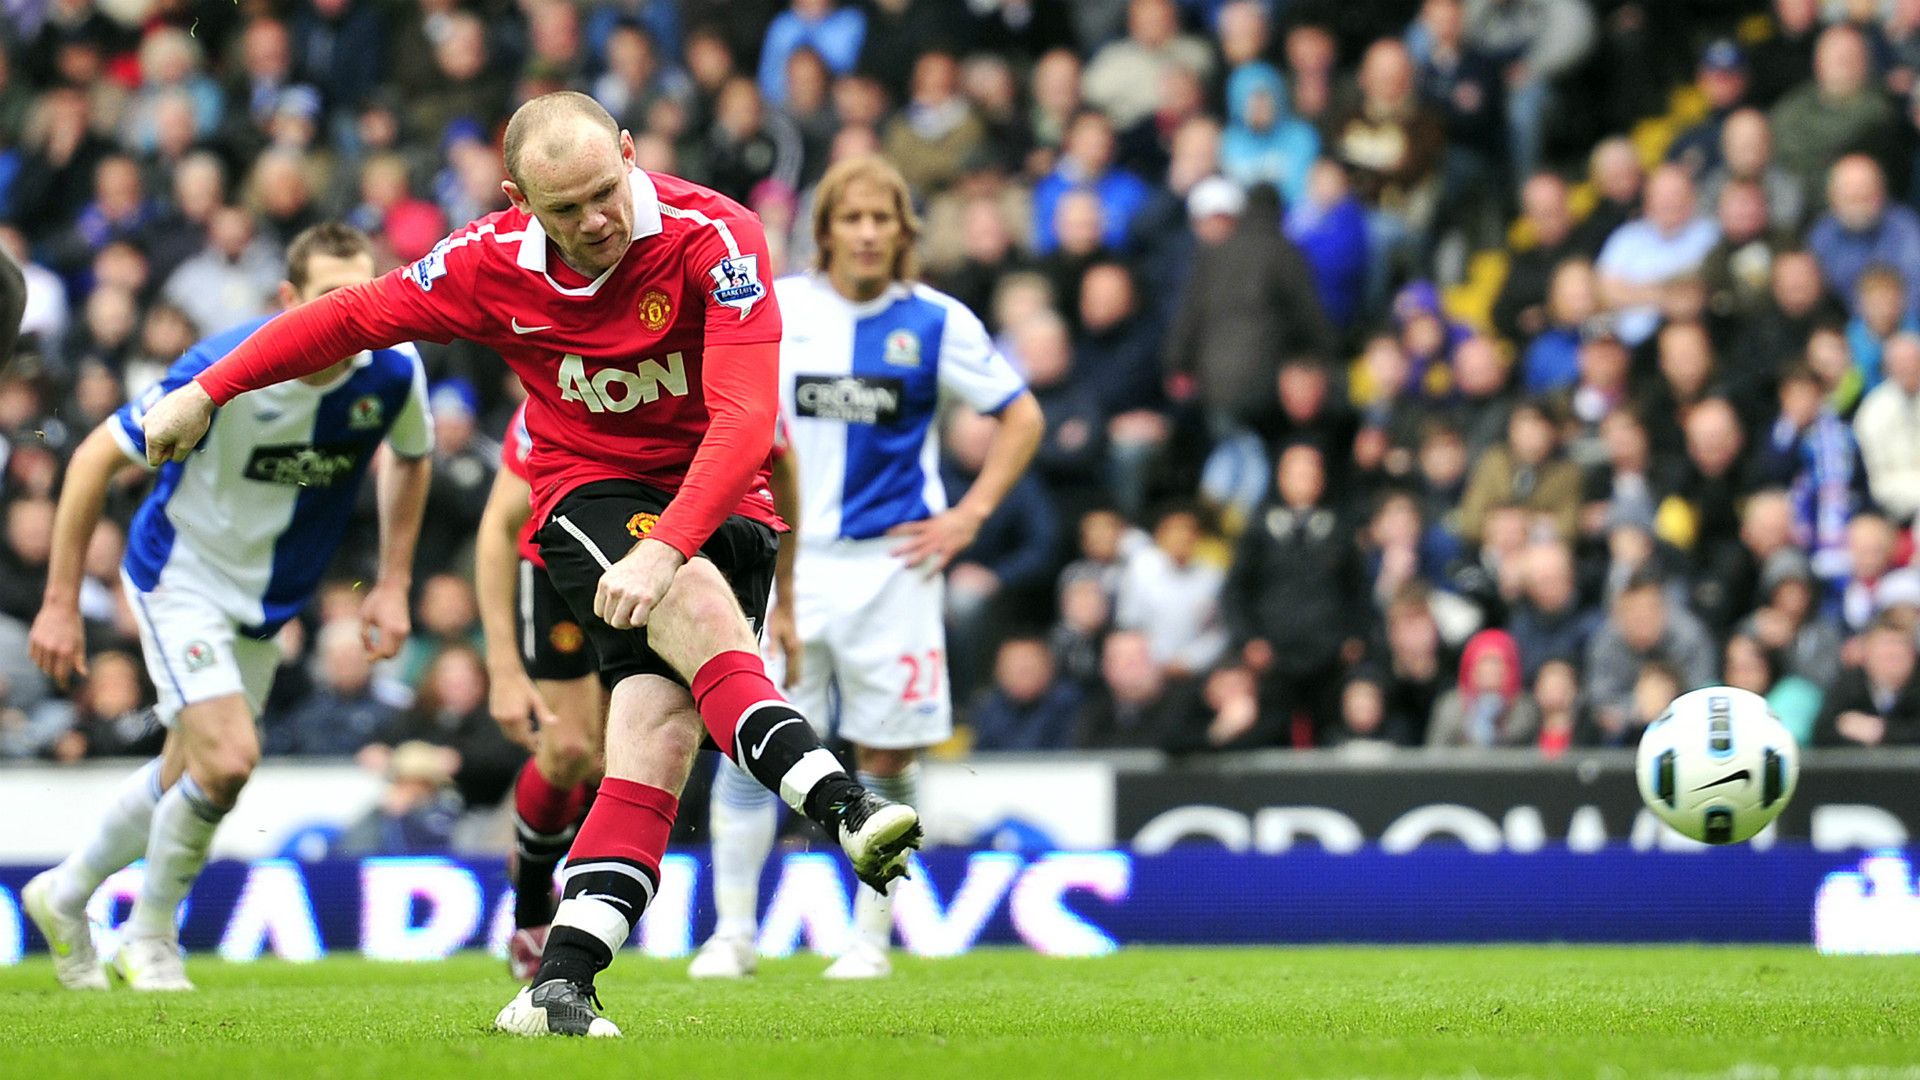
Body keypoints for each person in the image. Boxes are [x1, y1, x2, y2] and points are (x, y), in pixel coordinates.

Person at [134, 92, 920, 1037]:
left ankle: (560, 986)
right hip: (589, 489)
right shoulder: (484, 264)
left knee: (658, 746)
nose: (598, 220)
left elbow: (751, 422)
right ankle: (841, 803)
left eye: (607, 191)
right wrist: (209, 390)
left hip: (722, 501)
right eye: (567, 208)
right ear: (518, 202)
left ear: (631, 154)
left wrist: (671, 543)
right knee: (667, 654)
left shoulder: (721, 234)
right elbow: (349, 319)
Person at [22, 224, 434, 992]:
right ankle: (150, 937)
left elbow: (412, 456)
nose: (347, 319)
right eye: (327, 299)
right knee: (231, 759)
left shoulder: (391, 371)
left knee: (193, 767)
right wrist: (58, 603)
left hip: (265, 601)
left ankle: (66, 891)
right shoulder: (221, 367)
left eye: (361, 296)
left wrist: (395, 580)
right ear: (289, 301)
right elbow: (90, 460)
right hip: (180, 577)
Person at [689, 156, 1042, 982]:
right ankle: (733, 934)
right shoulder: (782, 310)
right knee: (754, 752)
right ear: (827, 230)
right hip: (790, 567)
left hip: (895, 569)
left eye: (884, 217)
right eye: (853, 217)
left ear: (905, 231)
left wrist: (971, 515)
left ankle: (868, 941)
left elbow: (1020, 415)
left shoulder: (935, 320)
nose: (870, 232)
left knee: (887, 758)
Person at [475, 400, 607, 981]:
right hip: (556, 572)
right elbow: (500, 525)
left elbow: (776, 463)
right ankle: (532, 904)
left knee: (619, 757)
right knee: (571, 749)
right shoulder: (551, 399)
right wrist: (503, 666)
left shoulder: (693, 374)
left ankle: (587, 917)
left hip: (655, 560)